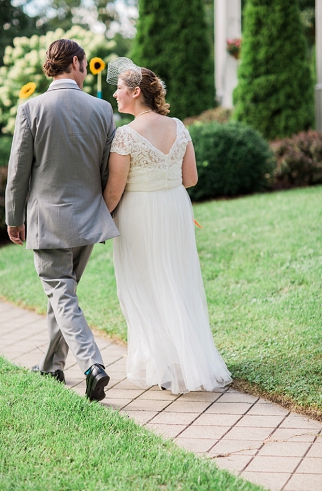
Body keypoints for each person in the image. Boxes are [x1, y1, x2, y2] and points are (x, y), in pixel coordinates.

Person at [103, 58, 232, 393]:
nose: (115, 94)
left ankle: (164, 364)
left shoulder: (125, 135)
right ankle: (186, 359)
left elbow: (114, 191)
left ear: (135, 92)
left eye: (118, 89)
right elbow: (190, 178)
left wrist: (96, 221)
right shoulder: (178, 126)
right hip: (175, 208)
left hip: (140, 213)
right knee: (177, 280)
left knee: (145, 284)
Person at [4, 39, 117, 402]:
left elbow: (18, 171)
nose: (85, 69)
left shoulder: (32, 109)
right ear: (75, 63)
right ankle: (53, 367)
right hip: (87, 220)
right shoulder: (102, 110)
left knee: (61, 294)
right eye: (84, 63)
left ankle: (92, 365)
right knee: (63, 294)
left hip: (47, 221)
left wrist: (13, 217)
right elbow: (105, 171)